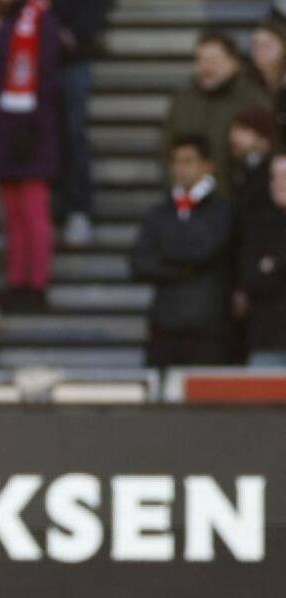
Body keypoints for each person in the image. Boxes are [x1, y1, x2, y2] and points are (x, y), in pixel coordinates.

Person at [0, 0, 60, 312]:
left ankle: (37, 284)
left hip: (32, 127)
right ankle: (17, 281)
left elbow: (46, 75)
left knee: (33, 212)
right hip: (2, 130)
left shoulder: (40, 20)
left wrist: (30, 125)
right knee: (12, 214)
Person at [131, 136, 232, 367]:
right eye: (176, 162)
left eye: (188, 161)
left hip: (207, 329)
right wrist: (188, 269)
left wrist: (166, 253)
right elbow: (139, 263)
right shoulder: (158, 212)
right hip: (164, 327)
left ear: (208, 166)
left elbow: (205, 249)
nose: (180, 169)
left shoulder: (223, 211)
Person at [165, 32, 270, 195]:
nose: (206, 67)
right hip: (192, 201)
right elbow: (167, 147)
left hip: (240, 201)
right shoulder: (183, 102)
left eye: (213, 60)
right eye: (200, 60)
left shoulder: (254, 100)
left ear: (233, 62)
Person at [51, 0, 114, 247]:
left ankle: (77, 209)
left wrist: (75, 34)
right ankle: (46, 212)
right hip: (25, 55)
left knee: (73, 134)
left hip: (71, 58)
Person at [237, 153, 286, 367]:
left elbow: (267, 273)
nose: (278, 183)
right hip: (268, 341)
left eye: (285, 176)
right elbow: (251, 280)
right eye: (273, 177)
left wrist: (273, 263)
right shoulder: (256, 226)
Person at [228, 107, 277, 219]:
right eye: (233, 129)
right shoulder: (239, 168)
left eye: (243, 129)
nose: (233, 135)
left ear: (263, 137)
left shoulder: (274, 171)